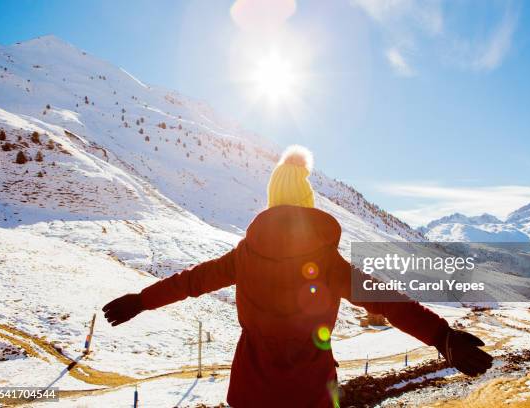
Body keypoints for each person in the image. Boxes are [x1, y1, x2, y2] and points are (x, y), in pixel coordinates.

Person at [103, 145, 492, 407]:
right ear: (308, 203)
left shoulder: (243, 257)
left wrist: (141, 299)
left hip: (249, 393)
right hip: (311, 393)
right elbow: (386, 299)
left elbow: (189, 282)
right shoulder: (327, 263)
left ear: (271, 201)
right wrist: (441, 336)